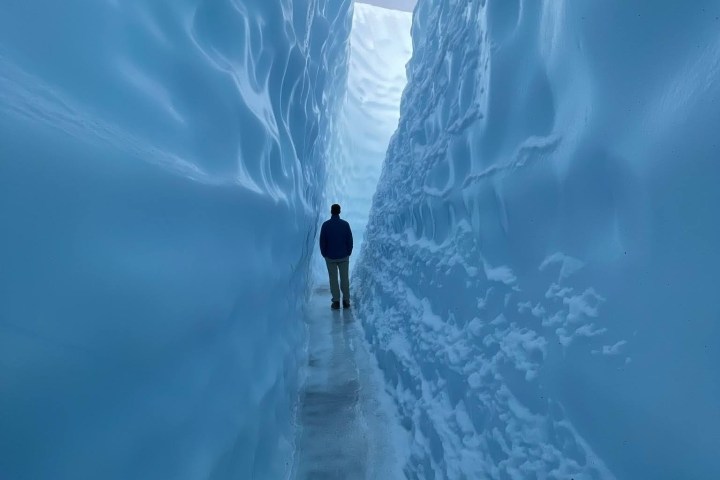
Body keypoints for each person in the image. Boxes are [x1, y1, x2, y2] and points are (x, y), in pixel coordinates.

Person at [319, 204, 353, 309]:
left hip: (330, 257)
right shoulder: (345, 224)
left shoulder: (325, 225)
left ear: (331, 211)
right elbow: (350, 240)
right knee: (344, 279)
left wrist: (324, 253)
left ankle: (336, 301)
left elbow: (322, 241)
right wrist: (348, 252)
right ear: (339, 211)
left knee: (333, 280)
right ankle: (346, 301)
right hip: (344, 257)